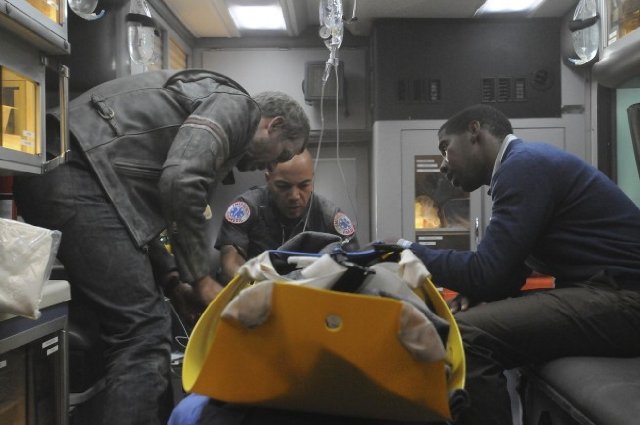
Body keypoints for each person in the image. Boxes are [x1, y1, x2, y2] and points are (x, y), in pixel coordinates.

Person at [12, 69, 310, 425]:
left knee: (140, 329)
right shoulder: (238, 107)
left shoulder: (209, 116)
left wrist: (172, 280)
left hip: (65, 169)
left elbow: (133, 215)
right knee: (145, 332)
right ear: (274, 125)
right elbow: (182, 182)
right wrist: (201, 279)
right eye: (283, 153)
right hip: (74, 170)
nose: (273, 165)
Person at [394, 104, 640, 424]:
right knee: (469, 322)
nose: (442, 164)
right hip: (610, 291)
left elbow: (486, 273)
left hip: (625, 297)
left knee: (466, 336)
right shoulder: (523, 165)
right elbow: (505, 274)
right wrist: (479, 292)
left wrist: (404, 250)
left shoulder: (523, 167)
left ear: (474, 132)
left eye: (445, 148)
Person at [215, 148, 359, 284]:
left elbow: (356, 265)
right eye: (283, 186)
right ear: (268, 179)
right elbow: (230, 267)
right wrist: (264, 289)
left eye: (303, 185)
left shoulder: (329, 215)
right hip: (254, 292)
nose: (294, 196)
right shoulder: (245, 209)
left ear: (312, 180)